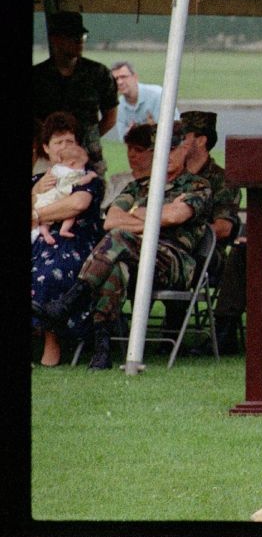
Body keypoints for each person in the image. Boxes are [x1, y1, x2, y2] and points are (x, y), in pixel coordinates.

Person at [35, 120, 213, 371]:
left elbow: (176, 216)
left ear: (184, 150)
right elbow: (111, 220)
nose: (168, 155)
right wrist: (155, 216)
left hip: (173, 260)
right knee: (115, 268)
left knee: (120, 238)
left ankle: (71, 300)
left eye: (174, 149)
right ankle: (102, 349)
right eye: (162, 150)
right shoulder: (138, 186)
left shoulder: (197, 186)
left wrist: (141, 212)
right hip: (131, 257)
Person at [30, 112, 107, 367]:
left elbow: (77, 204)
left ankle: (52, 342)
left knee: (51, 271)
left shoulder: (88, 179)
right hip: (37, 240)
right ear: (46, 149)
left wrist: (37, 213)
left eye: (69, 141)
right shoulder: (36, 181)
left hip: (73, 240)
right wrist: (35, 192)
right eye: (57, 142)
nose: (64, 147)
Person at [178, 110, 244, 354]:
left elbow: (225, 227)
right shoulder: (173, 173)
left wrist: (187, 230)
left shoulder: (221, 180)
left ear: (201, 140)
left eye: (184, 136)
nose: (178, 143)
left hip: (207, 254)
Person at [32, 11, 118, 178]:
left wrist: (82, 141)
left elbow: (110, 118)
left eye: (81, 36)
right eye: (72, 36)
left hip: (88, 158)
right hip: (46, 158)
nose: (79, 41)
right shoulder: (37, 76)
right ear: (55, 39)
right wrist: (52, 145)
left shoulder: (99, 74)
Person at [105, 61, 175, 141]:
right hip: (141, 149)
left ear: (135, 77)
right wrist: (130, 134)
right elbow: (124, 139)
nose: (119, 82)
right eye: (116, 79)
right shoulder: (119, 106)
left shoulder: (158, 96)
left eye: (123, 77)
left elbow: (172, 130)